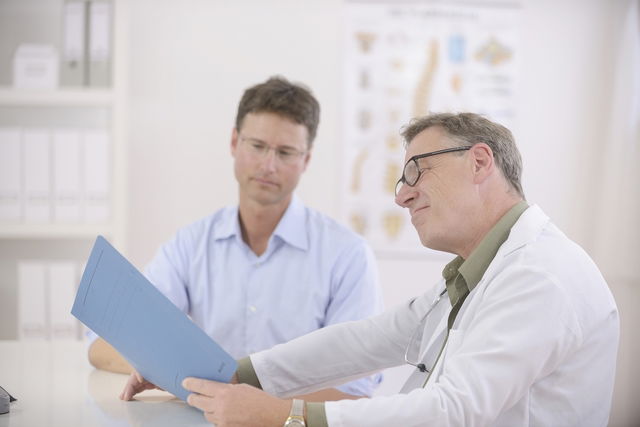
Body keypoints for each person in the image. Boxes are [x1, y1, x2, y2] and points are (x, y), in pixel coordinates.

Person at [123, 112, 620, 426]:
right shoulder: (475, 273)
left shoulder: (540, 274)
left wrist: (287, 416)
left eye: (414, 170)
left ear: (480, 161)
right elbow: (364, 340)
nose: (402, 194)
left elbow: (454, 410)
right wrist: (225, 375)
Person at [91, 76, 384, 400]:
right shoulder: (192, 245)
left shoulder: (347, 255)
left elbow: (355, 392)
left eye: (286, 152)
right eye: (257, 146)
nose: (268, 165)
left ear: (306, 160)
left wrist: (242, 398)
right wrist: (177, 372)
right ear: (234, 142)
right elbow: (103, 345)